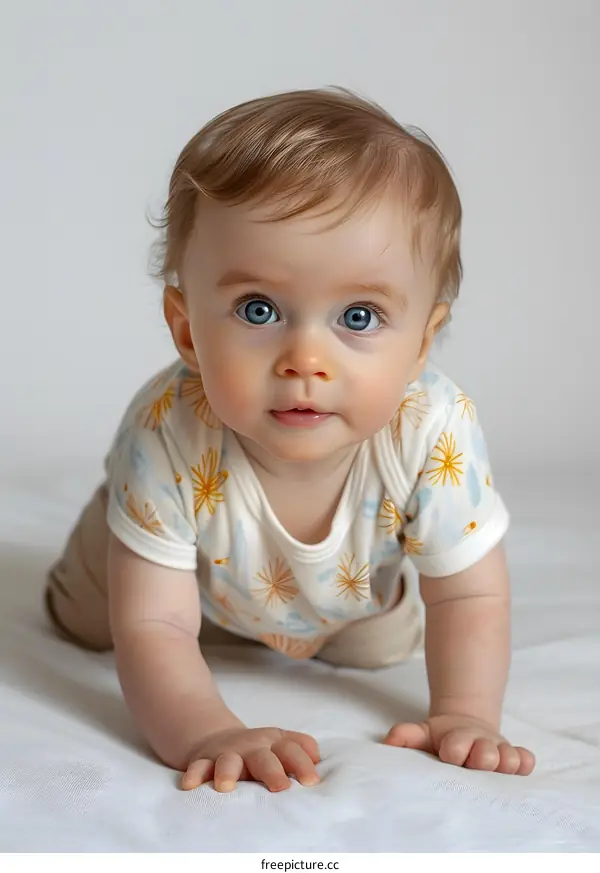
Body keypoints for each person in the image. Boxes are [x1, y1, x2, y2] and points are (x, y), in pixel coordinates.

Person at [45, 87, 535, 793]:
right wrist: (207, 728)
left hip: (346, 587)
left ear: (423, 342)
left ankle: (284, 620)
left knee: (380, 647)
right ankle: (136, 553)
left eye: (359, 316)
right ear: (188, 331)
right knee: (91, 618)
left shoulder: (432, 430)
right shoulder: (167, 428)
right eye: (259, 308)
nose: (305, 358)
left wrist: (466, 712)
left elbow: (469, 597)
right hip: (179, 550)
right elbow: (152, 624)